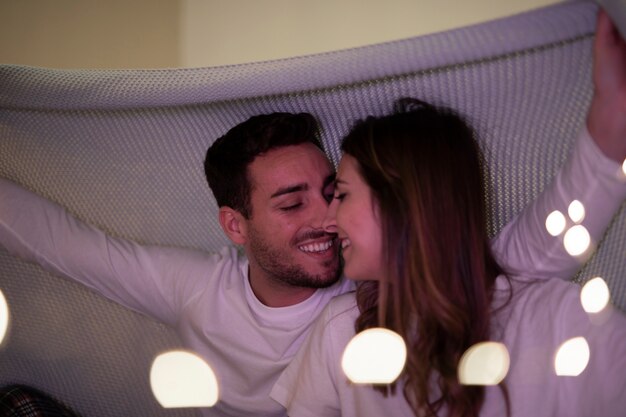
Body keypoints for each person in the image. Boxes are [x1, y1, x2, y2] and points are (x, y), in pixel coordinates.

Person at [1, 13, 625, 416]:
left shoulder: (381, 295)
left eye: (334, 189)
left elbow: (533, 249)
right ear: (235, 227)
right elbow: (63, 245)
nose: (326, 216)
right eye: (292, 202)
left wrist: (607, 127)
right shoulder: (204, 292)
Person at [270, 10, 626, 417]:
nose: (329, 222)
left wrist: (611, 122)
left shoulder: (557, 318)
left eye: (342, 195)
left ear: (402, 204)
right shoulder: (339, 330)